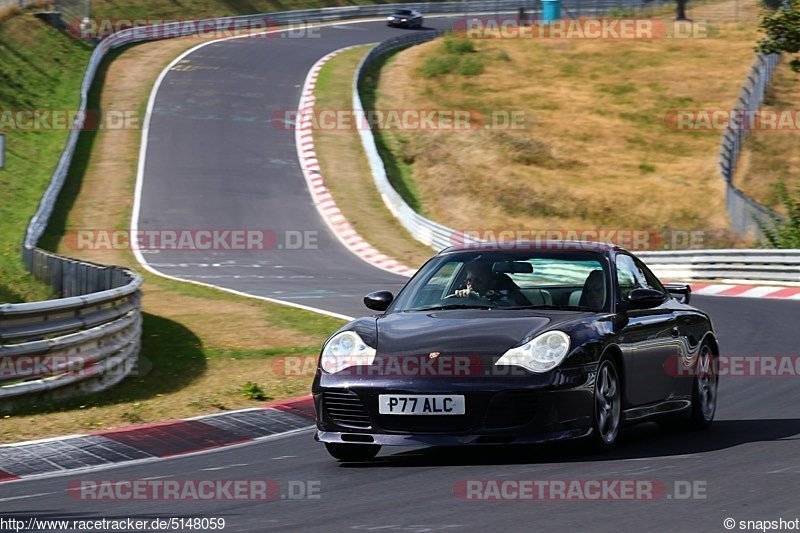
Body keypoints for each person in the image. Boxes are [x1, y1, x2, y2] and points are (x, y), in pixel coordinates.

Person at [453, 261, 529, 306]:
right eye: (468, 281)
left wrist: (483, 301)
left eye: (478, 280)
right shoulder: (463, 299)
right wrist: (460, 299)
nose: (471, 285)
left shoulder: (510, 298)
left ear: (492, 282)